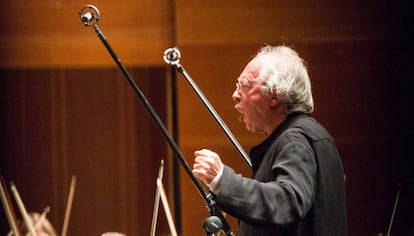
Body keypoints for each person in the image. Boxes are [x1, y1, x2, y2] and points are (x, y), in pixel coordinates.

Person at [192, 45, 347, 236]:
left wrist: (223, 181)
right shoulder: (307, 134)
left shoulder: (295, 141)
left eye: (244, 85)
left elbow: (287, 202)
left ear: (274, 95)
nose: (235, 94)